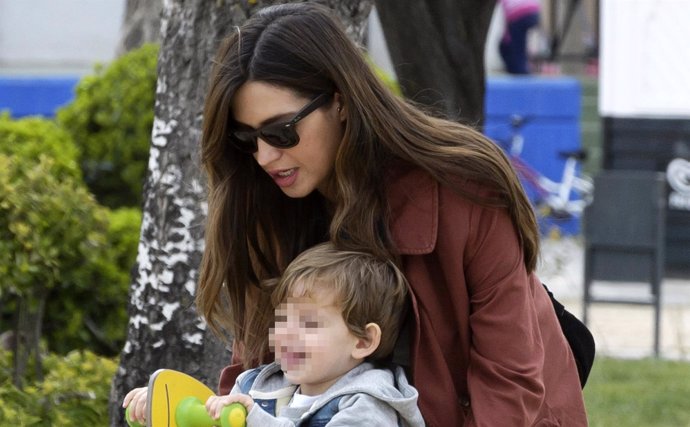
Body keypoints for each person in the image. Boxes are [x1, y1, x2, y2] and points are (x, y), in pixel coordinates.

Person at [128, 3, 587, 426]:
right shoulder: (264, 199)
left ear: (341, 101)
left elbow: (509, 384)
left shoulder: (465, 187)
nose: (265, 156)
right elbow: (258, 373)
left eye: (282, 131)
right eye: (248, 139)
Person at [205, 242, 424, 426]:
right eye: (282, 319)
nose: (287, 333)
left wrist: (256, 419)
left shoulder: (368, 406)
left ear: (363, 341)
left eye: (308, 323)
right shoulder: (253, 385)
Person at [498, 0, 542, 74]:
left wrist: (506, 33)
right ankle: (524, 68)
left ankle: (521, 71)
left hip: (518, 13)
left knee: (517, 47)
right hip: (534, 11)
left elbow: (506, 13)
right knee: (520, 44)